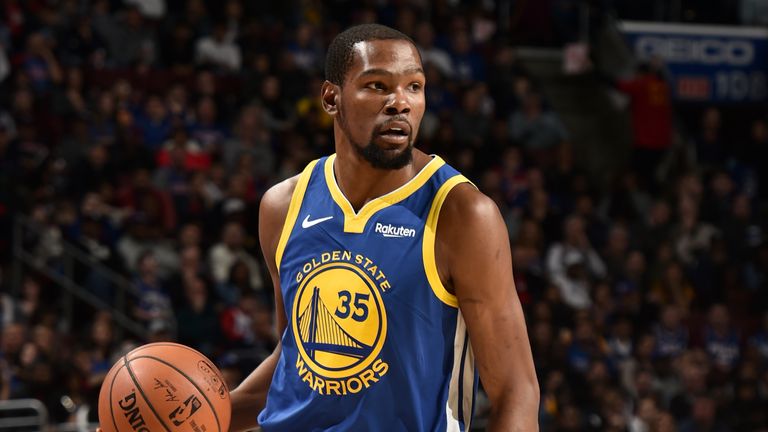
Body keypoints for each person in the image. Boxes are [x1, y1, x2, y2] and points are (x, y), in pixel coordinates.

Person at [100, 23, 538, 432]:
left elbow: (516, 391)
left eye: (415, 87)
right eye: (377, 86)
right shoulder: (283, 205)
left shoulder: (462, 213)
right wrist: (192, 420)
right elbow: (297, 355)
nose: (400, 102)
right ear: (331, 99)